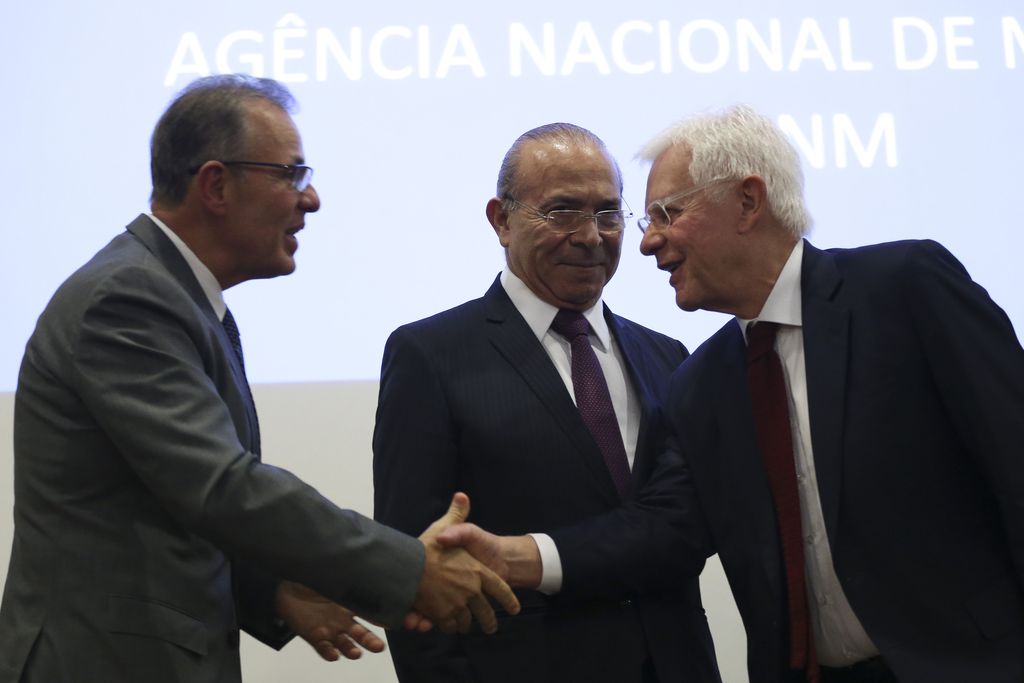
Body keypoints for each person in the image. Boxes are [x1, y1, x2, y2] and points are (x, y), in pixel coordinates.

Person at [0, 74, 517, 683]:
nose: (313, 198)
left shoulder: (180, 298)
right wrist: (409, 569)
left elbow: (161, 509)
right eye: (292, 175)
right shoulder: (130, 297)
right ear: (216, 184)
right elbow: (221, 486)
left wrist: (271, 592)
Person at [635, 104, 1024, 683]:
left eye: (667, 213)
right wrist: (527, 557)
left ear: (748, 201)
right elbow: (666, 532)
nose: (649, 244)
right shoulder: (697, 387)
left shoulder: (906, 289)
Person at [373, 123, 719, 683]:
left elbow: (681, 530)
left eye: (609, 213)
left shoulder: (667, 356)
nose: (590, 235)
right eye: (562, 211)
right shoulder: (430, 356)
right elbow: (418, 573)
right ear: (501, 219)